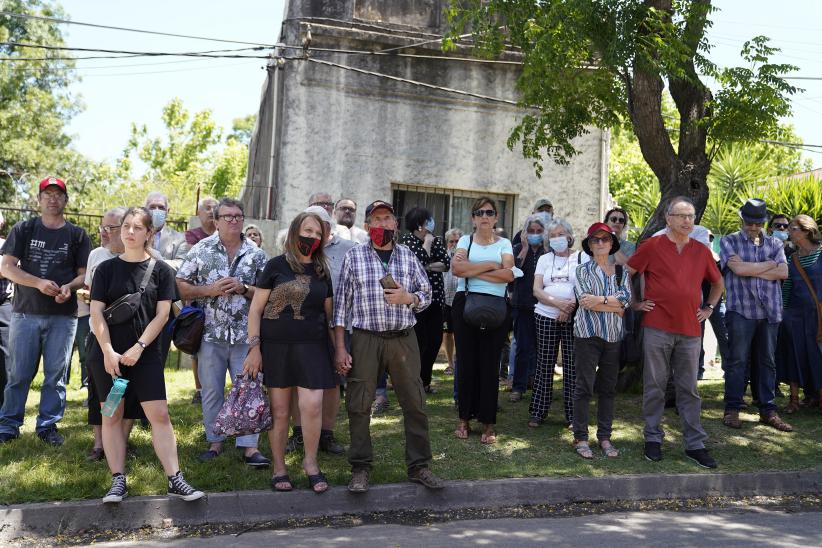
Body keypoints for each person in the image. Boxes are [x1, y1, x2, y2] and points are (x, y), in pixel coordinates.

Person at [89, 206, 204, 503]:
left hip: (146, 356)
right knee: (112, 414)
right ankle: (117, 481)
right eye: (126, 226)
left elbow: (163, 314)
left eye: (137, 227)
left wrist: (138, 348)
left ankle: (174, 479)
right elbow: (96, 314)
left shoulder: (163, 271)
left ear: (149, 233)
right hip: (110, 360)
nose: (129, 232)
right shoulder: (105, 269)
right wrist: (108, 352)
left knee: (159, 415)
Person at [333, 200, 444, 493]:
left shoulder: (408, 256)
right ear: (368, 226)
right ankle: (360, 468)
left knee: (415, 403)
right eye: (376, 219)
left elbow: (427, 293)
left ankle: (419, 466)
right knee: (359, 404)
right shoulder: (354, 256)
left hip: (403, 338)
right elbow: (341, 306)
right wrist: (341, 348)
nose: (382, 224)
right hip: (366, 338)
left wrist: (409, 298)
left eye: (387, 218)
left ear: (395, 224)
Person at [627, 196, 723, 469]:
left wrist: (709, 308)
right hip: (657, 326)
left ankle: (695, 444)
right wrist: (634, 302)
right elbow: (627, 272)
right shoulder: (653, 246)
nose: (687, 221)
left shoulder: (702, 251)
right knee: (655, 386)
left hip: (691, 329)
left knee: (688, 389)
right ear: (668, 218)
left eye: (691, 216)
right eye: (681, 215)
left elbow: (718, 283)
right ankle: (653, 439)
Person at [244, 211, 336, 493]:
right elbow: (256, 310)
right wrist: (254, 348)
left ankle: (311, 463)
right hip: (276, 348)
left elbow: (329, 317)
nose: (313, 237)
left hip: (314, 347)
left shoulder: (322, 271)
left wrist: (338, 351)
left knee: (312, 406)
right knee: (280, 411)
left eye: (319, 234)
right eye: (308, 231)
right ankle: (279, 467)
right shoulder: (274, 266)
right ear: (296, 232)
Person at [176, 198, 271, 467]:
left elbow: (268, 294)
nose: (233, 220)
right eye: (227, 216)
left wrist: (244, 288)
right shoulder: (200, 250)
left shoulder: (256, 254)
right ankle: (215, 441)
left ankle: (250, 448)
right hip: (210, 334)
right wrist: (209, 290)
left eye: (238, 216)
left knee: (249, 388)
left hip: (246, 336)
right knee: (211, 390)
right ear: (216, 221)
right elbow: (181, 284)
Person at [0, 177, 91, 446]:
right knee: (18, 374)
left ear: (65, 200)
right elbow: (6, 267)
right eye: (47, 194)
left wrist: (68, 287)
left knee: (56, 375)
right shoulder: (24, 229)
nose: (53, 198)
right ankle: (9, 425)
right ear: (39, 200)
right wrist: (37, 282)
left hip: (63, 317)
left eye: (58, 194)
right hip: (25, 313)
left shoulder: (77, 235)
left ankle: (48, 426)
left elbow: (84, 276)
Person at [284, 205, 351, 457]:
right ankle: (299, 433)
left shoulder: (349, 248)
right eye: (310, 228)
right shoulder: (294, 251)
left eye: (321, 227)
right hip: (301, 327)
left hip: (339, 324)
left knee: (333, 382)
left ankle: (327, 433)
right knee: (296, 382)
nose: (315, 233)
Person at [720, 198, 792, 432]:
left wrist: (752, 268)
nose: (753, 227)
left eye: (757, 223)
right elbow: (738, 270)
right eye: (749, 223)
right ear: (742, 219)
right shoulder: (729, 241)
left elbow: (784, 272)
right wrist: (768, 265)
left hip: (770, 310)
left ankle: (768, 411)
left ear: (763, 222)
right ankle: (732, 409)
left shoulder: (775, 244)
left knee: (767, 362)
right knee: (737, 361)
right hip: (741, 310)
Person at [451, 197, 514, 444]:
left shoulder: (506, 243)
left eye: (489, 212)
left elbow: (508, 275)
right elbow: (457, 270)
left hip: (496, 307)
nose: (484, 216)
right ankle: (464, 419)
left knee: (490, 365)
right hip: (465, 302)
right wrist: (490, 265)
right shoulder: (465, 241)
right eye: (479, 212)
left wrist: (472, 268)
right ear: (473, 218)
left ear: (496, 217)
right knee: (466, 363)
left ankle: (488, 424)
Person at [572, 222, 631, 459]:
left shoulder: (621, 271)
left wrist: (602, 302)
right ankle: (580, 437)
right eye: (595, 240)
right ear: (588, 245)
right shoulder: (581, 270)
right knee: (584, 386)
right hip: (587, 334)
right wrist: (612, 303)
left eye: (605, 239)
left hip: (614, 336)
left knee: (608, 388)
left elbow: (625, 303)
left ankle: (605, 437)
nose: (600, 243)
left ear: (612, 243)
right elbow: (585, 301)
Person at [530, 218, 588, 427]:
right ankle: (538, 411)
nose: (557, 238)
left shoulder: (581, 258)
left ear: (570, 236)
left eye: (560, 234)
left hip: (574, 316)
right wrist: (557, 304)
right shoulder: (544, 259)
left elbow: (584, 286)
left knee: (572, 366)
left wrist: (569, 307)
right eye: (552, 235)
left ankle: (573, 416)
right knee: (544, 363)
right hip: (545, 314)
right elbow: (537, 290)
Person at [84, 207, 131, 461]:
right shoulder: (96, 256)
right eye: (103, 227)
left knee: (123, 389)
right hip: (99, 337)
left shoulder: (144, 257)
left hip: (130, 340)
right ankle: (100, 444)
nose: (104, 232)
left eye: (110, 228)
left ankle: (119, 442)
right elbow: (90, 293)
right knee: (101, 393)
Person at [399, 207, 450, 394]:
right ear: (420, 225)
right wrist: (427, 247)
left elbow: (446, 264)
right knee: (419, 342)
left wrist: (425, 264)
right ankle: (413, 382)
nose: (432, 223)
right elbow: (415, 262)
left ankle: (425, 381)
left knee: (435, 341)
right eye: (429, 220)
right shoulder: (406, 241)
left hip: (436, 299)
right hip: (416, 300)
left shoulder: (436, 240)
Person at [179, 196, 219, 406]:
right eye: (207, 208)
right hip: (198, 300)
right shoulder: (192, 236)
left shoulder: (227, 236)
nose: (211, 211)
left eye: (215, 208)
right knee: (197, 347)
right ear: (198, 213)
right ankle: (199, 390)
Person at [781, 215, 822, 413]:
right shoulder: (793, 258)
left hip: (819, 316)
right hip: (794, 315)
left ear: (806, 231)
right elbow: (787, 288)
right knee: (794, 354)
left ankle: (818, 397)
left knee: (817, 355)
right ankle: (794, 400)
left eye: (793, 228)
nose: (789, 231)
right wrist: (783, 312)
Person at [509, 214, 548, 402]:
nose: (534, 234)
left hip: (544, 306)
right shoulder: (517, 248)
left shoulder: (547, 251)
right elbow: (514, 272)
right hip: (522, 305)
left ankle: (539, 384)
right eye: (531, 231)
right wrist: (524, 247)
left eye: (538, 231)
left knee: (541, 349)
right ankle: (518, 386)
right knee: (523, 348)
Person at [145, 191, 186, 367]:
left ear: (168, 211)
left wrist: (153, 259)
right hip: (135, 306)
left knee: (157, 358)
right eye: (152, 207)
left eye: (161, 207)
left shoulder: (179, 239)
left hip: (164, 306)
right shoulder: (134, 232)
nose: (156, 210)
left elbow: (181, 265)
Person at [442, 228, 463, 376]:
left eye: (457, 241)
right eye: (451, 241)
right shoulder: (442, 255)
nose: (454, 244)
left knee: (460, 332)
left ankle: (460, 362)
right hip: (445, 299)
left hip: (460, 299)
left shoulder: (467, 256)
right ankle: (450, 364)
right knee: (447, 333)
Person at [0, 211, 10, 410]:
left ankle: (4, 406)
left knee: (6, 355)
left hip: (4, 305)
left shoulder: (6, 244)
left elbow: (6, 270)